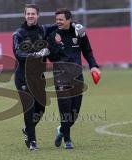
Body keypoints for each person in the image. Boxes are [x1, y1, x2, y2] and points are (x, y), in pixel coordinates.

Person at [47, 8, 101, 149]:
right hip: (61, 75)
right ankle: (68, 139)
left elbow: (87, 51)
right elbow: (51, 58)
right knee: (65, 110)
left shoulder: (79, 32)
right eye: (56, 19)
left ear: (68, 20)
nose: (58, 22)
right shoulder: (53, 35)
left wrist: (93, 66)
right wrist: (57, 45)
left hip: (77, 76)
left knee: (74, 114)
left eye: (61, 19)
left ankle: (61, 130)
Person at [12, 4, 57, 150]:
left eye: (33, 14)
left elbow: (61, 23)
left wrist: (76, 25)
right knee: (29, 108)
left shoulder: (43, 30)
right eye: (28, 14)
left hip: (38, 76)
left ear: (38, 15)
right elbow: (18, 53)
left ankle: (27, 129)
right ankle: (32, 142)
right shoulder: (18, 34)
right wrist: (35, 55)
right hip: (23, 76)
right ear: (24, 15)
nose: (30, 16)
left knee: (41, 108)